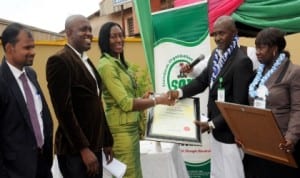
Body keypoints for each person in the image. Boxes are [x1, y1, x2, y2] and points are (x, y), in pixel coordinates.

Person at [168, 15, 253, 178]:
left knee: (232, 173)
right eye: (215, 34)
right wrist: (178, 93)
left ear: (234, 33)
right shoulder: (216, 55)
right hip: (215, 128)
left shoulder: (242, 62)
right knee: (217, 173)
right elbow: (201, 81)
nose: (218, 38)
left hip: (230, 132)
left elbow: (238, 103)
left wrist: (213, 123)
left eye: (222, 33)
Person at [97, 21, 173, 178]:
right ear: (105, 40)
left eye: (121, 36)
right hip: (120, 132)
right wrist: (158, 101)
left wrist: (143, 98)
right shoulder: (106, 66)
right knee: (128, 174)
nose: (119, 40)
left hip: (130, 129)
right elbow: (125, 103)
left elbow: (127, 98)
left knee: (135, 174)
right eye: (113, 37)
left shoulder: (120, 65)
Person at [46, 15, 114, 178]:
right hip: (74, 152)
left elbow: (96, 103)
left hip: (94, 147)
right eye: (83, 29)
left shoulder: (86, 60)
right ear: (69, 32)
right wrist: (83, 149)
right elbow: (64, 111)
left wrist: (106, 140)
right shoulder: (59, 61)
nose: (89, 33)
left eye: (90, 29)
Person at [244, 27, 300, 178]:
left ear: (274, 49)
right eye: (256, 47)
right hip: (258, 142)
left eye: (261, 47)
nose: (257, 51)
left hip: (281, 143)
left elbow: (297, 109)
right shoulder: (257, 73)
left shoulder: (293, 72)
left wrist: (290, 138)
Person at [0, 23, 53, 178]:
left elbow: (41, 115)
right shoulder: (1, 82)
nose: (33, 52)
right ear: (10, 48)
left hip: (42, 164)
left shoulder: (31, 74)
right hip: (15, 171)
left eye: (33, 47)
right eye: (27, 48)